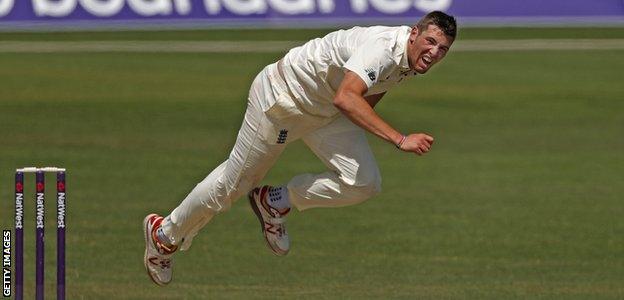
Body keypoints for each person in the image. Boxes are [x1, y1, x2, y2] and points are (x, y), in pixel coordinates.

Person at [143, 11, 457, 285]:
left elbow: (366, 93)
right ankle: (163, 236)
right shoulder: (383, 49)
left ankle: (275, 202)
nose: (434, 52)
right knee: (234, 185)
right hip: (283, 101)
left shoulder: (411, 61)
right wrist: (400, 139)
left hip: (326, 113)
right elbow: (347, 97)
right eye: (430, 41)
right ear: (414, 33)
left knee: (363, 183)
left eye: (442, 48)